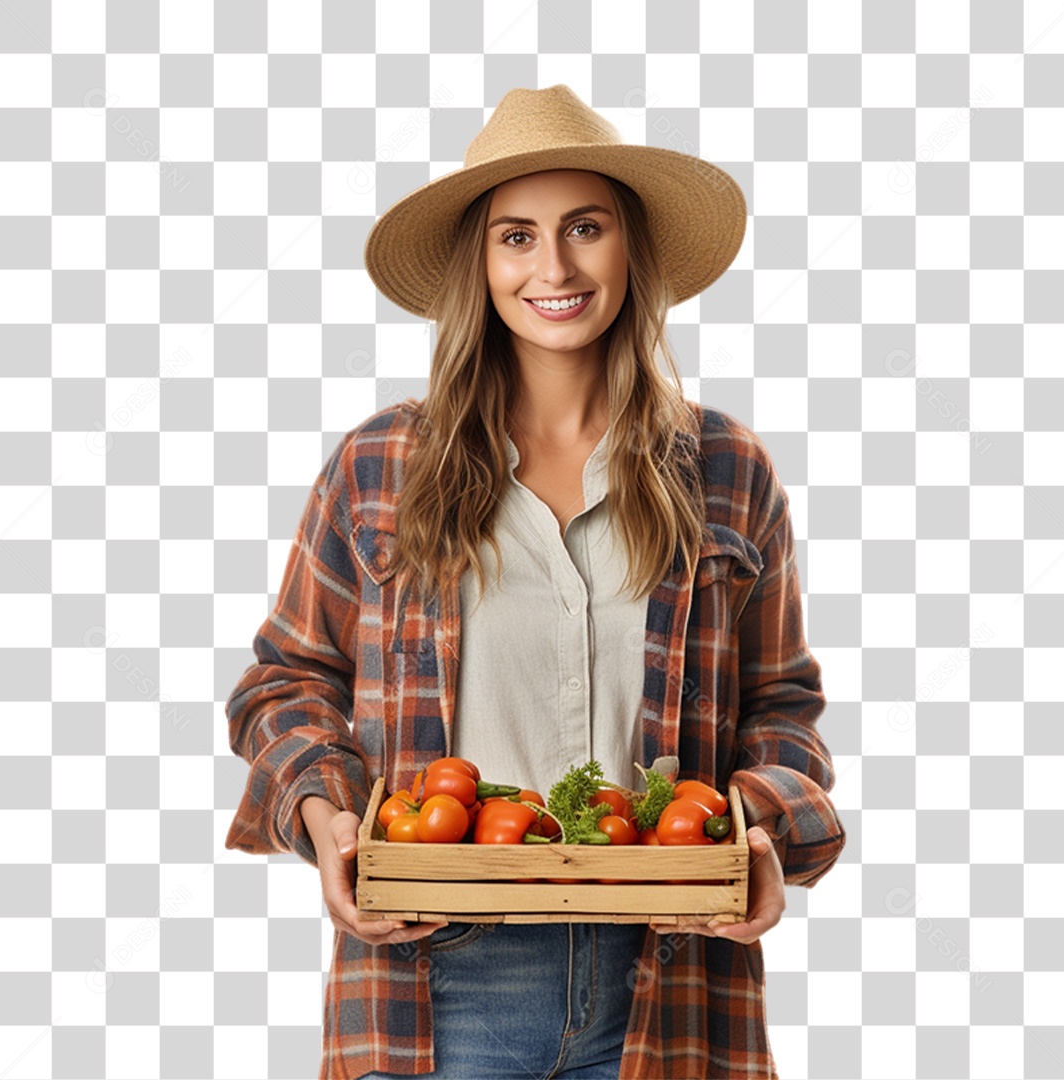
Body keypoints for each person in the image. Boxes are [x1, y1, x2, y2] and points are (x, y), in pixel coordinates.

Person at [223, 84, 846, 1079]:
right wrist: (325, 817)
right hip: (434, 969)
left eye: (584, 228)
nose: (553, 267)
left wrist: (752, 828)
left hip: (672, 964)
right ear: (480, 262)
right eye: (517, 235)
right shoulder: (380, 465)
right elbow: (284, 683)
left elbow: (782, 706)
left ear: (630, 249)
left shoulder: (727, 467)